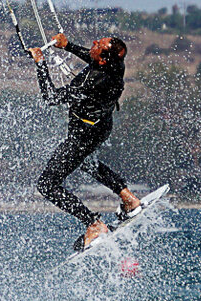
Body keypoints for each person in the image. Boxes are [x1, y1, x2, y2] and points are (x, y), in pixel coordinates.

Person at [29, 33, 141, 249]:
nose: (93, 43)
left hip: (82, 135)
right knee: (87, 163)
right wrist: (68, 46)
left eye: (98, 45)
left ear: (102, 59)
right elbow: (93, 58)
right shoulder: (117, 65)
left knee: (47, 184)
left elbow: (51, 98)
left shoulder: (91, 81)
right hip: (102, 127)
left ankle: (93, 224)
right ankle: (128, 198)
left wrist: (40, 63)